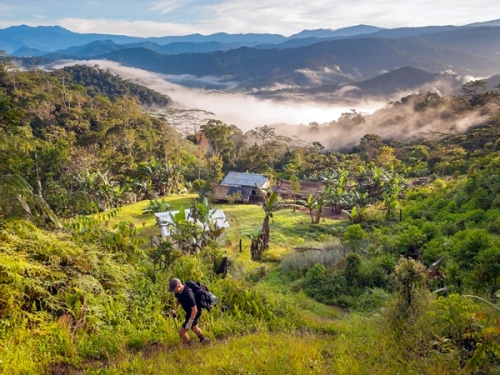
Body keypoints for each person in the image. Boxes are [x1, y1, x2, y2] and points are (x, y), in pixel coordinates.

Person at [168, 278, 210, 345]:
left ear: (179, 286)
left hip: (195, 312)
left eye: (174, 289)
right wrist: (175, 310)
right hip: (189, 312)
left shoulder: (188, 294)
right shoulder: (178, 291)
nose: (173, 291)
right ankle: (203, 340)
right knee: (194, 327)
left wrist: (190, 322)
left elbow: (195, 310)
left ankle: (189, 345)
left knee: (181, 332)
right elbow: (178, 300)